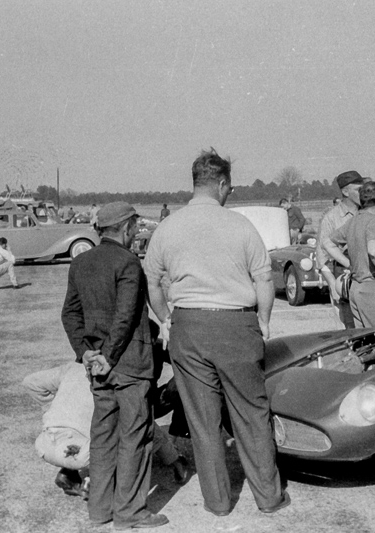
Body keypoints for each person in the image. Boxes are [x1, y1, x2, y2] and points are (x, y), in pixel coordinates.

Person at [143, 148, 289, 517]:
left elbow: (152, 281)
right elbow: (263, 279)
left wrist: (166, 318)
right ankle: (269, 497)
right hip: (237, 324)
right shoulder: (240, 225)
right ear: (221, 183)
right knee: (252, 414)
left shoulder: (167, 227)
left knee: (203, 421)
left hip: (188, 326)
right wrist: (264, 320)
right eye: (229, 187)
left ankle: (218, 503)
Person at [61, 201, 168, 529]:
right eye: (135, 225)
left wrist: (87, 353)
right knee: (136, 435)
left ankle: (100, 511)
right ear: (125, 227)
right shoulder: (128, 263)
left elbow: (70, 313)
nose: (137, 231)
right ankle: (130, 513)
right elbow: (125, 316)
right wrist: (108, 355)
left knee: (104, 437)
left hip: (97, 368)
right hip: (129, 365)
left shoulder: (80, 263)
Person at [22, 363, 189, 500]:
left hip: (45, 444)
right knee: (134, 429)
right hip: (81, 454)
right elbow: (147, 425)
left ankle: (68, 474)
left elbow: (30, 382)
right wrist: (174, 459)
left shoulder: (74, 367)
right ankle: (95, 484)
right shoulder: (117, 380)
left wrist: (52, 410)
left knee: (91, 431)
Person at [322, 181, 375, 328]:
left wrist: (350, 265)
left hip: (355, 289)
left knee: (366, 341)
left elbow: (327, 243)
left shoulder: (353, 221)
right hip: (372, 287)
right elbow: (373, 250)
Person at [316, 171, 366, 329]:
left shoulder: (367, 213)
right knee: (348, 330)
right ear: (345, 192)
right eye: (358, 190)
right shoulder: (331, 218)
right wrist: (332, 284)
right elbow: (321, 257)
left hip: (366, 280)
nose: (363, 194)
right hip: (343, 280)